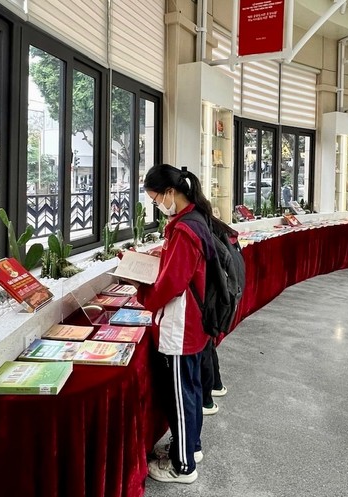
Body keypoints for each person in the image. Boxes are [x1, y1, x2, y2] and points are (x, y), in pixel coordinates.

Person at [136, 164, 218, 485]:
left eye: (157, 199)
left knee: (181, 395)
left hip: (181, 326)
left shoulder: (184, 230)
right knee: (193, 389)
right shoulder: (193, 220)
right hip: (195, 326)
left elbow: (171, 284)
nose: (157, 206)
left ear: (171, 193)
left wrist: (142, 290)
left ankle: (182, 466)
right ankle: (191, 447)